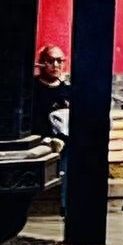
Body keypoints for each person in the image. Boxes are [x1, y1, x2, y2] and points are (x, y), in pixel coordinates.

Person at [31, 44, 71, 209]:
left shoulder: (67, 91)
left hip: (64, 143)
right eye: (50, 61)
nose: (55, 65)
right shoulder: (32, 90)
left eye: (59, 61)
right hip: (40, 142)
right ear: (41, 63)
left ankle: (67, 208)